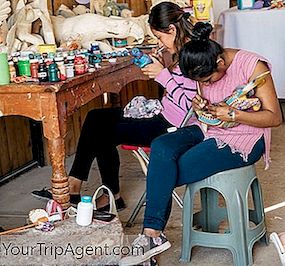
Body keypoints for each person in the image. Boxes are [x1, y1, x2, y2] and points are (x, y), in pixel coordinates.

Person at [118, 22, 282, 266]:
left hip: (244, 138)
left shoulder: (252, 66)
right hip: (208, 127)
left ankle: (150, 234)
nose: (205, 85)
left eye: (207, 80)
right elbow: (204, 104)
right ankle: (153, 236)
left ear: (220, 63)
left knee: (168, 169)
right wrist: (199, 107)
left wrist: (234, 115)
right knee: (162, 146)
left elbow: (274, 117)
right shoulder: (200, 59)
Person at [31, 2, 197, 211]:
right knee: (96, 117)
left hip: (173, 127)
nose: (159, 42)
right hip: (165, 114)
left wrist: (163, 75)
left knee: (102, 130)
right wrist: (162, 66)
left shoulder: (193, 56)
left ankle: (104, 193)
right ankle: (81, 184)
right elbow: (180, 90)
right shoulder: (183, 49)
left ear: (172, 30)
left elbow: (190, 105)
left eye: (160, 37)